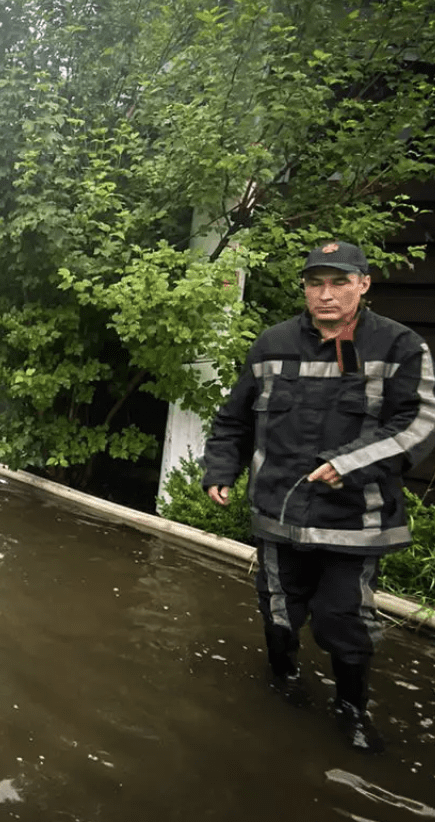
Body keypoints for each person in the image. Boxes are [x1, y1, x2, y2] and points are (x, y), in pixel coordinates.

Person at [202, 240, 435, 753]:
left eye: (339, 282)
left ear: (363, 284)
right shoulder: (271, 344)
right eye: (315, 283)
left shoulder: (399, 346)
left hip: (354, 519)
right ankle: (283, 685)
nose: (326, 294)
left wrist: (349, 464)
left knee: (343, 616)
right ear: (305, 287)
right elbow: (233, 419)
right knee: (278, 608)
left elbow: (419, 424)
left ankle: (352, 710)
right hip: (278, 513)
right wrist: (220, 468)